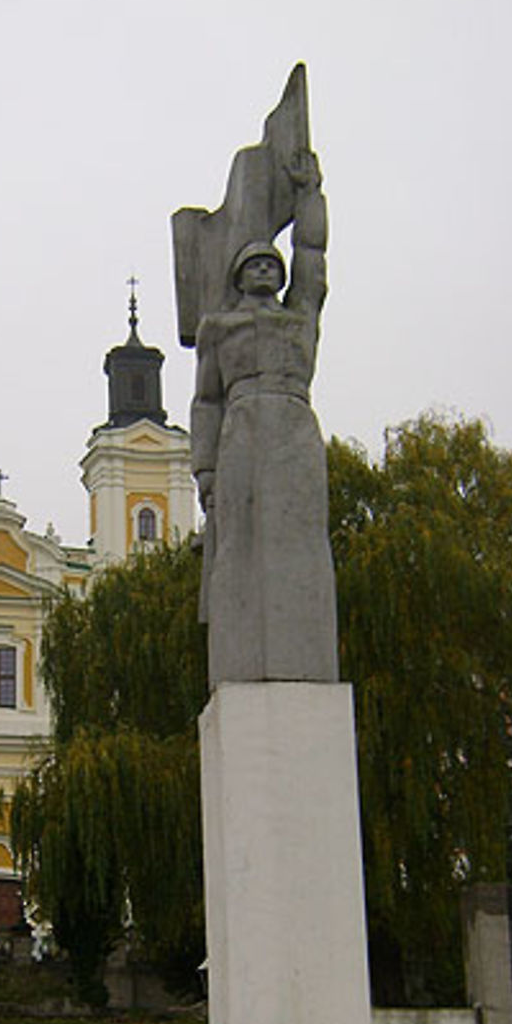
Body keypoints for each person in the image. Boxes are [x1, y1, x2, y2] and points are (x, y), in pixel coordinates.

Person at [191, 148, 338, 688]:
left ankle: (303, 652)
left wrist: (309, 195)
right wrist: (204, 471)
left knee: (301, 537)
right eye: (253, 263)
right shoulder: (220, 329)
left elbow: (313, 257)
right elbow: (206, 402)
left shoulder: (300, 317)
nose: (262, 269)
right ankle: (243, 656)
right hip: (242, 426)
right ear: (237, 275)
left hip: (295, 424)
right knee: (240, 543)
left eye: (269, 264)